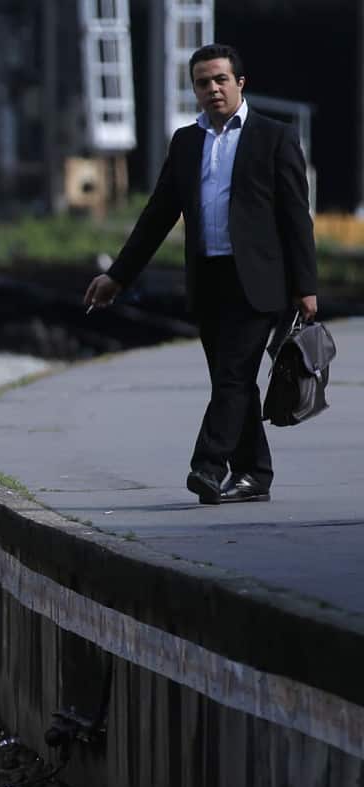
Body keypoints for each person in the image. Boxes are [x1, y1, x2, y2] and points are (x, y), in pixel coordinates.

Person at [84, 43, 318, 505]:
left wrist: (306, 287)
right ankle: (254, 474)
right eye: (202, 82)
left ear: (239, 83)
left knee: (233, 376)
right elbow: (158, 215)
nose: (212, 89)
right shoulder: (187, 142)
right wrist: (118, 276)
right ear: (194, 89)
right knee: (232, 381)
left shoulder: (274, 137)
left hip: (259, 281)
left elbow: (296, 216)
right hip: (209, 280)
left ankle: (208, 466)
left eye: (220, 80)